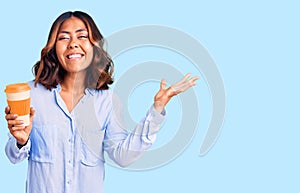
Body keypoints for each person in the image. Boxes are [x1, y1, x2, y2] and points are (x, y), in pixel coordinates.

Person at [4, 11, 198, 193]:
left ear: (94, 47)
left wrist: (157, 110)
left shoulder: (107, 101)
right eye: (63, 37)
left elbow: (122, 156)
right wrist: (21, 141)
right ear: (53, 47)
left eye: (82, 36)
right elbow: (13, 155)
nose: (73, 44)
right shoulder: (31, 95)